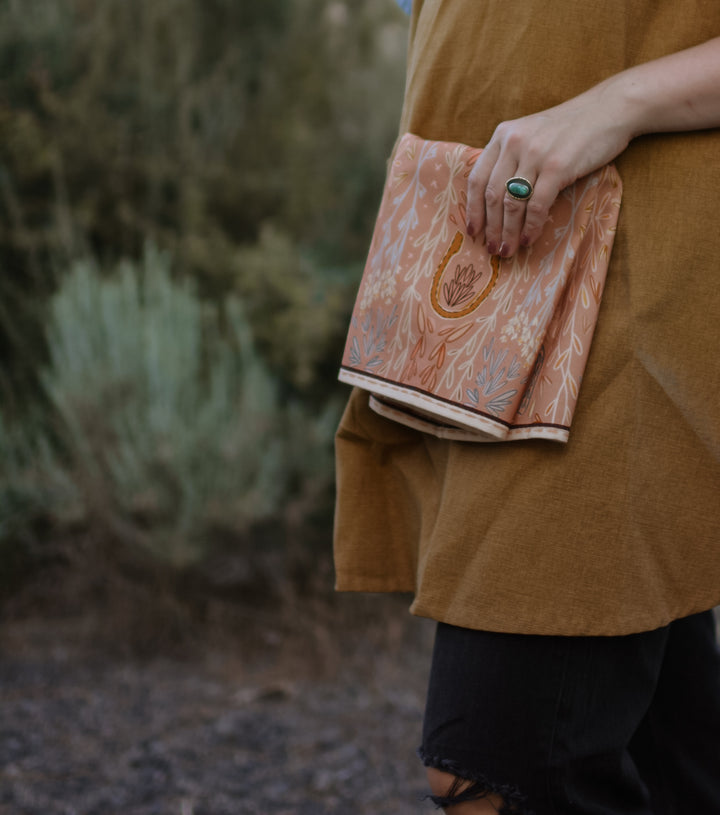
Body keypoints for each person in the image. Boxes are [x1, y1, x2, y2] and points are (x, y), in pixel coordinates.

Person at [334, 1, 720, 813]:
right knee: (669, 764)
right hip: (503, 289)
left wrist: (612, 104)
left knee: (496, 774)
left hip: (627, 291)